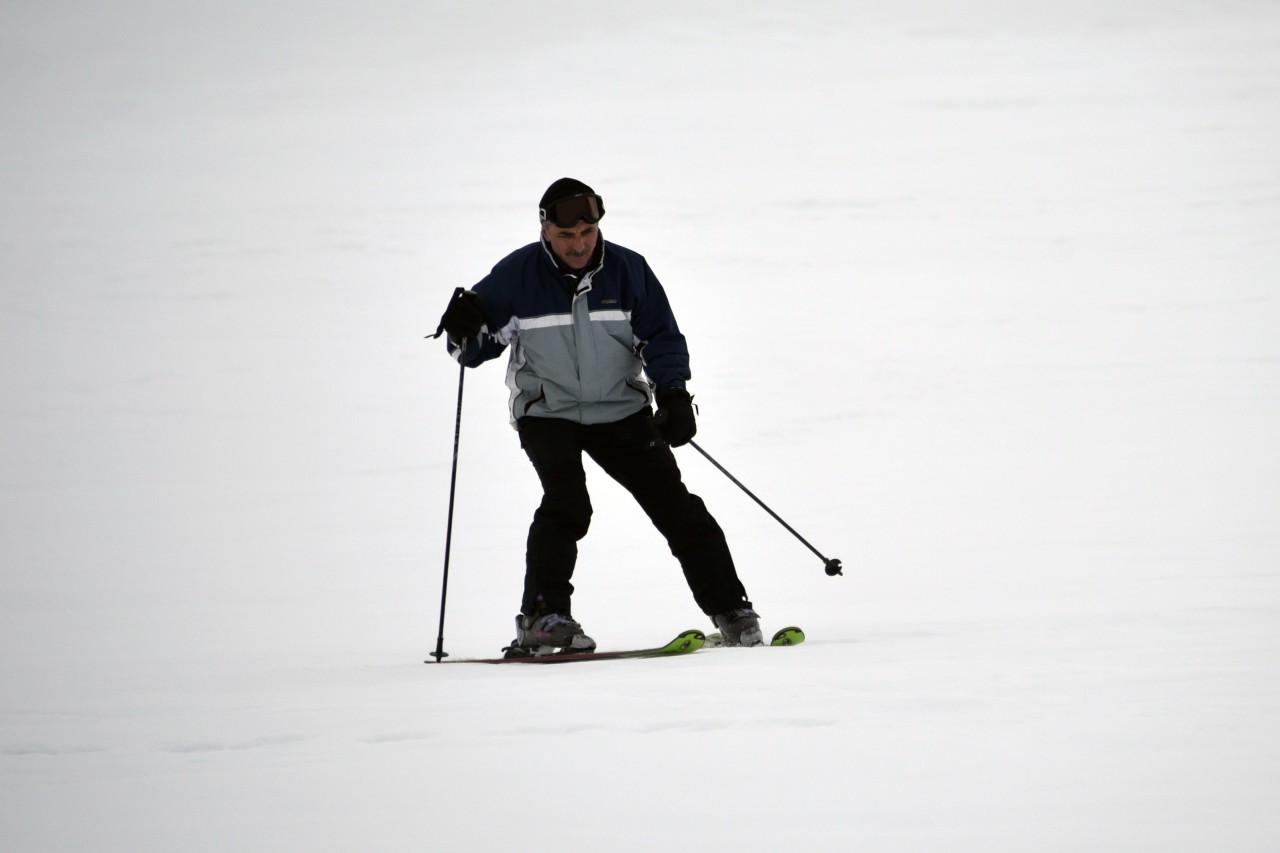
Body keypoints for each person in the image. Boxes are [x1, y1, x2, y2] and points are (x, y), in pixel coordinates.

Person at [435, 178, 762, 653]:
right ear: (545, 230)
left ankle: (732, 609)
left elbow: (662, 338)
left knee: (677, 506)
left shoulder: (629, 270)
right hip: (547, 412)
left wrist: (673, 394)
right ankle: (543, 618)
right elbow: (472, 350)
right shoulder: (516, 276)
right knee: (567, 503)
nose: (579, 245)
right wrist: (462, 330)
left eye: (587, 233)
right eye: (566, 235)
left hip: (620, 409)